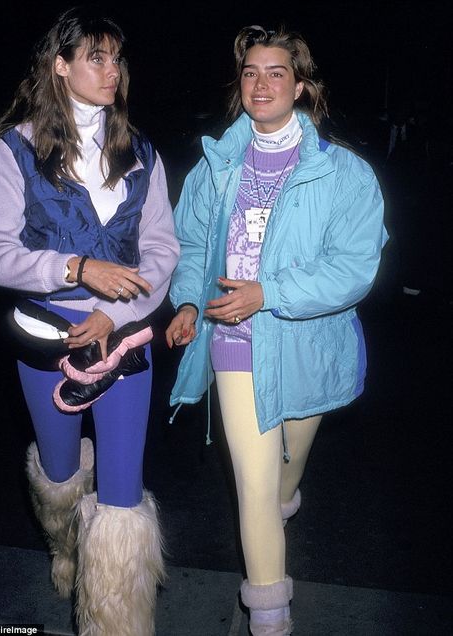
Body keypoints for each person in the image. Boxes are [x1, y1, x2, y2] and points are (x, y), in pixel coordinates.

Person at [166, 25, 388, 636]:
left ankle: (288, 497)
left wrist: (271, 294)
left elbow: (353, 267)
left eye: (276, 73)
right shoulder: (217, 165)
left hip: (307, 345)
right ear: (239, 87)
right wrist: (188, 303)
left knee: (288, 469)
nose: (261, 84)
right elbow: (190, 246)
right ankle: (271, 621)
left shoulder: (343, 174)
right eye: (250, 73)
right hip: (234, 344)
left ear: (301, 86)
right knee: (255, 485)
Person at [0, 7, 179, 635]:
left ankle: (116, 622)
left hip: (125, 336)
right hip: (47, 340)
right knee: (62, 476)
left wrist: (113, 311)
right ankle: (66, 549)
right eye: (96, 57)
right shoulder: (13, 150)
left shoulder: (142, 152)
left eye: (117, 58)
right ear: (60, 66)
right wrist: (77, 269)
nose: (112, 70)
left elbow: (162, 252)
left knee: (121, 498)